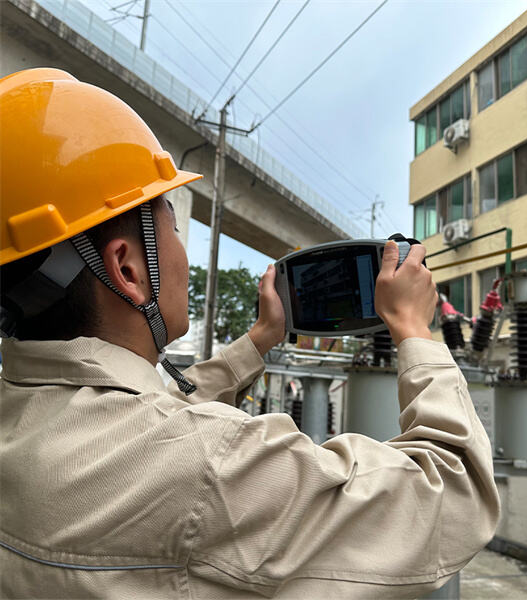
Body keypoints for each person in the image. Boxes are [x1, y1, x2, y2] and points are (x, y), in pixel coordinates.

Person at [0, 68, 499, 599]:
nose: (183, 257)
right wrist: (414, 329)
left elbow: (138, 414)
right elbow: (452, 495)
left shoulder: (25, 419)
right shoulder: (209, 461)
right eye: (172, 225)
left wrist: (259, 340)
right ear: (127, 269)